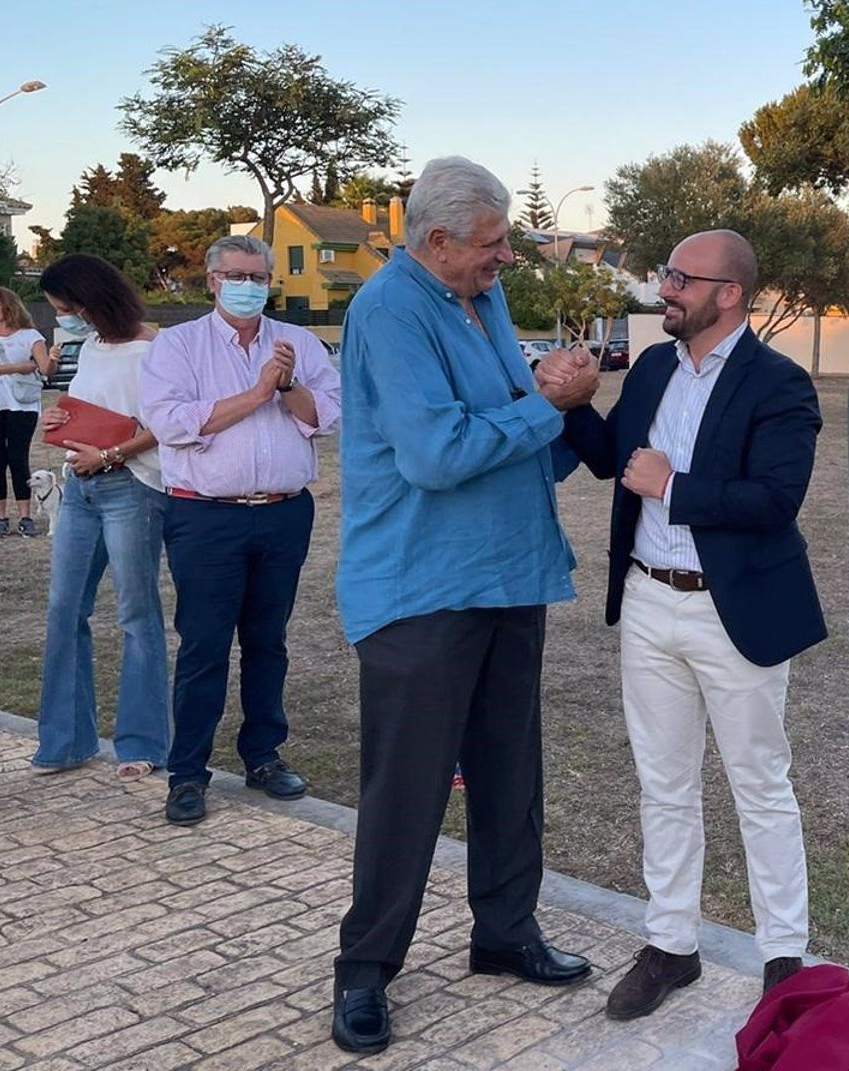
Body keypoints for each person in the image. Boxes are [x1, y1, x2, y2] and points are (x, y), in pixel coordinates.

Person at [329, 157, 597, 1056]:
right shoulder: (390, 310)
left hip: (508, 575)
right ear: (436, 241)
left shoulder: (478, 302)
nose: (507, 256)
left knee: (510, 772)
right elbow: (437, 455)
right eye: (492, 242)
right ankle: (365, 973)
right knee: (406, 792)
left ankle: (506, 931)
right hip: (422, 590)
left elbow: (514, 425)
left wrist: (549, 406)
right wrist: (548, 407)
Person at [540, 228, 826, 1021]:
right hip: (646, 602)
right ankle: (671, 945)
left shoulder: (780, 385)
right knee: (662, 783)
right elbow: (612, 461)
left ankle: (783, 961)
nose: (665, 289)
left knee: (759, 786)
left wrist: (675, 485)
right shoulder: (658, 365)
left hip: (733, 610)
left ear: (727, 294)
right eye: (666, 274)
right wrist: (571, 407)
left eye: (680, 278)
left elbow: (774, 502)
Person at [140, 235, 342, 827]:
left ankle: (262, 755)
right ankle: (188, 773)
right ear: (212, 281)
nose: (249, 285)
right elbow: (172, 423)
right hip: (206, 516)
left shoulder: (298, 344)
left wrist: (286, 388)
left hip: (282, 512)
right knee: (204, 645)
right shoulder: (179, 346)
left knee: (267, 640)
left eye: (259, 276)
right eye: (237, 275)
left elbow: (327, 417)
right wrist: (256, 393)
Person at [30, 254, 169, 783]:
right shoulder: (89, 345)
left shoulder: (158, 348)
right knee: (64, 609)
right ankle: (64, 742)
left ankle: (143, 741)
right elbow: (88, 405)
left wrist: (109, 457)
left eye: (65, 308)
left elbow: (166, 424)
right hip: (80, 487)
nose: (63, 317)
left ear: (90, 301)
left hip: (133, 488)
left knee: (136, 614)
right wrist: (61, 417)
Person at [0, 286, 53, 537]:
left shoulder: (30, 335)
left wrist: (52, 359)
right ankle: (0, 517)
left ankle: (25, 515)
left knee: (19, 459)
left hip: (22, 404)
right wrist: (17, 367)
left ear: (9, 306)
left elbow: (44, 368)